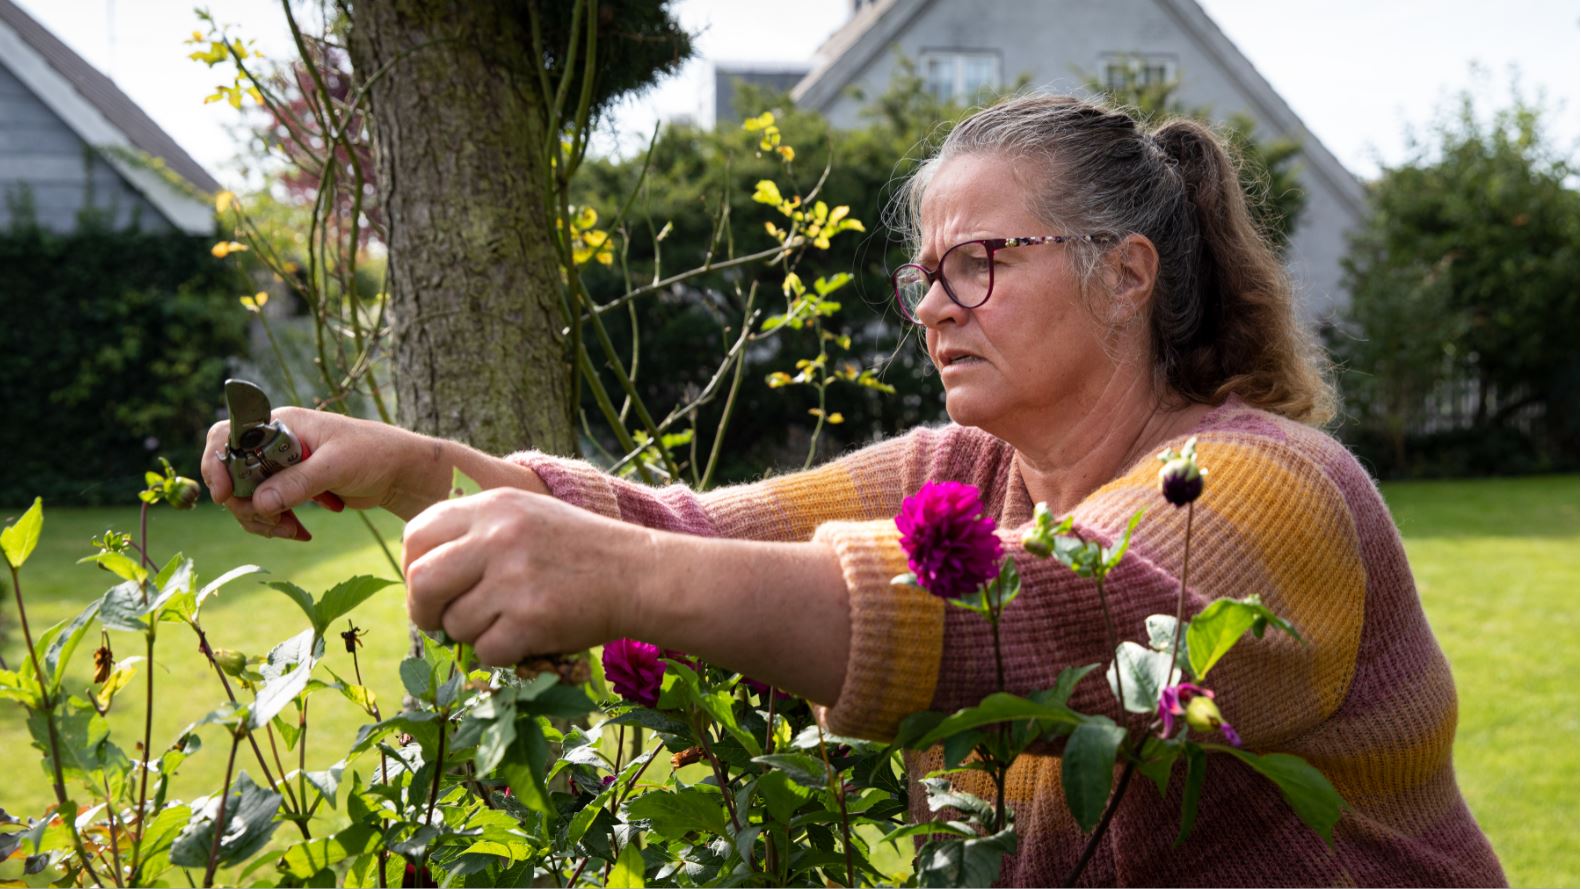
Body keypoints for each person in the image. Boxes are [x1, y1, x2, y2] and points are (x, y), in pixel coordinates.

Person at [202, 95, 1505, 887]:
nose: (932, 305)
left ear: (1125, 273)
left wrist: (631, 581)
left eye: (978, 261)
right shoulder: (964, 475)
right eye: (922, 273)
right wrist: (413, 463)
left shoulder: (1268, 486)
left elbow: (1073, 627)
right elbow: (690, 533)